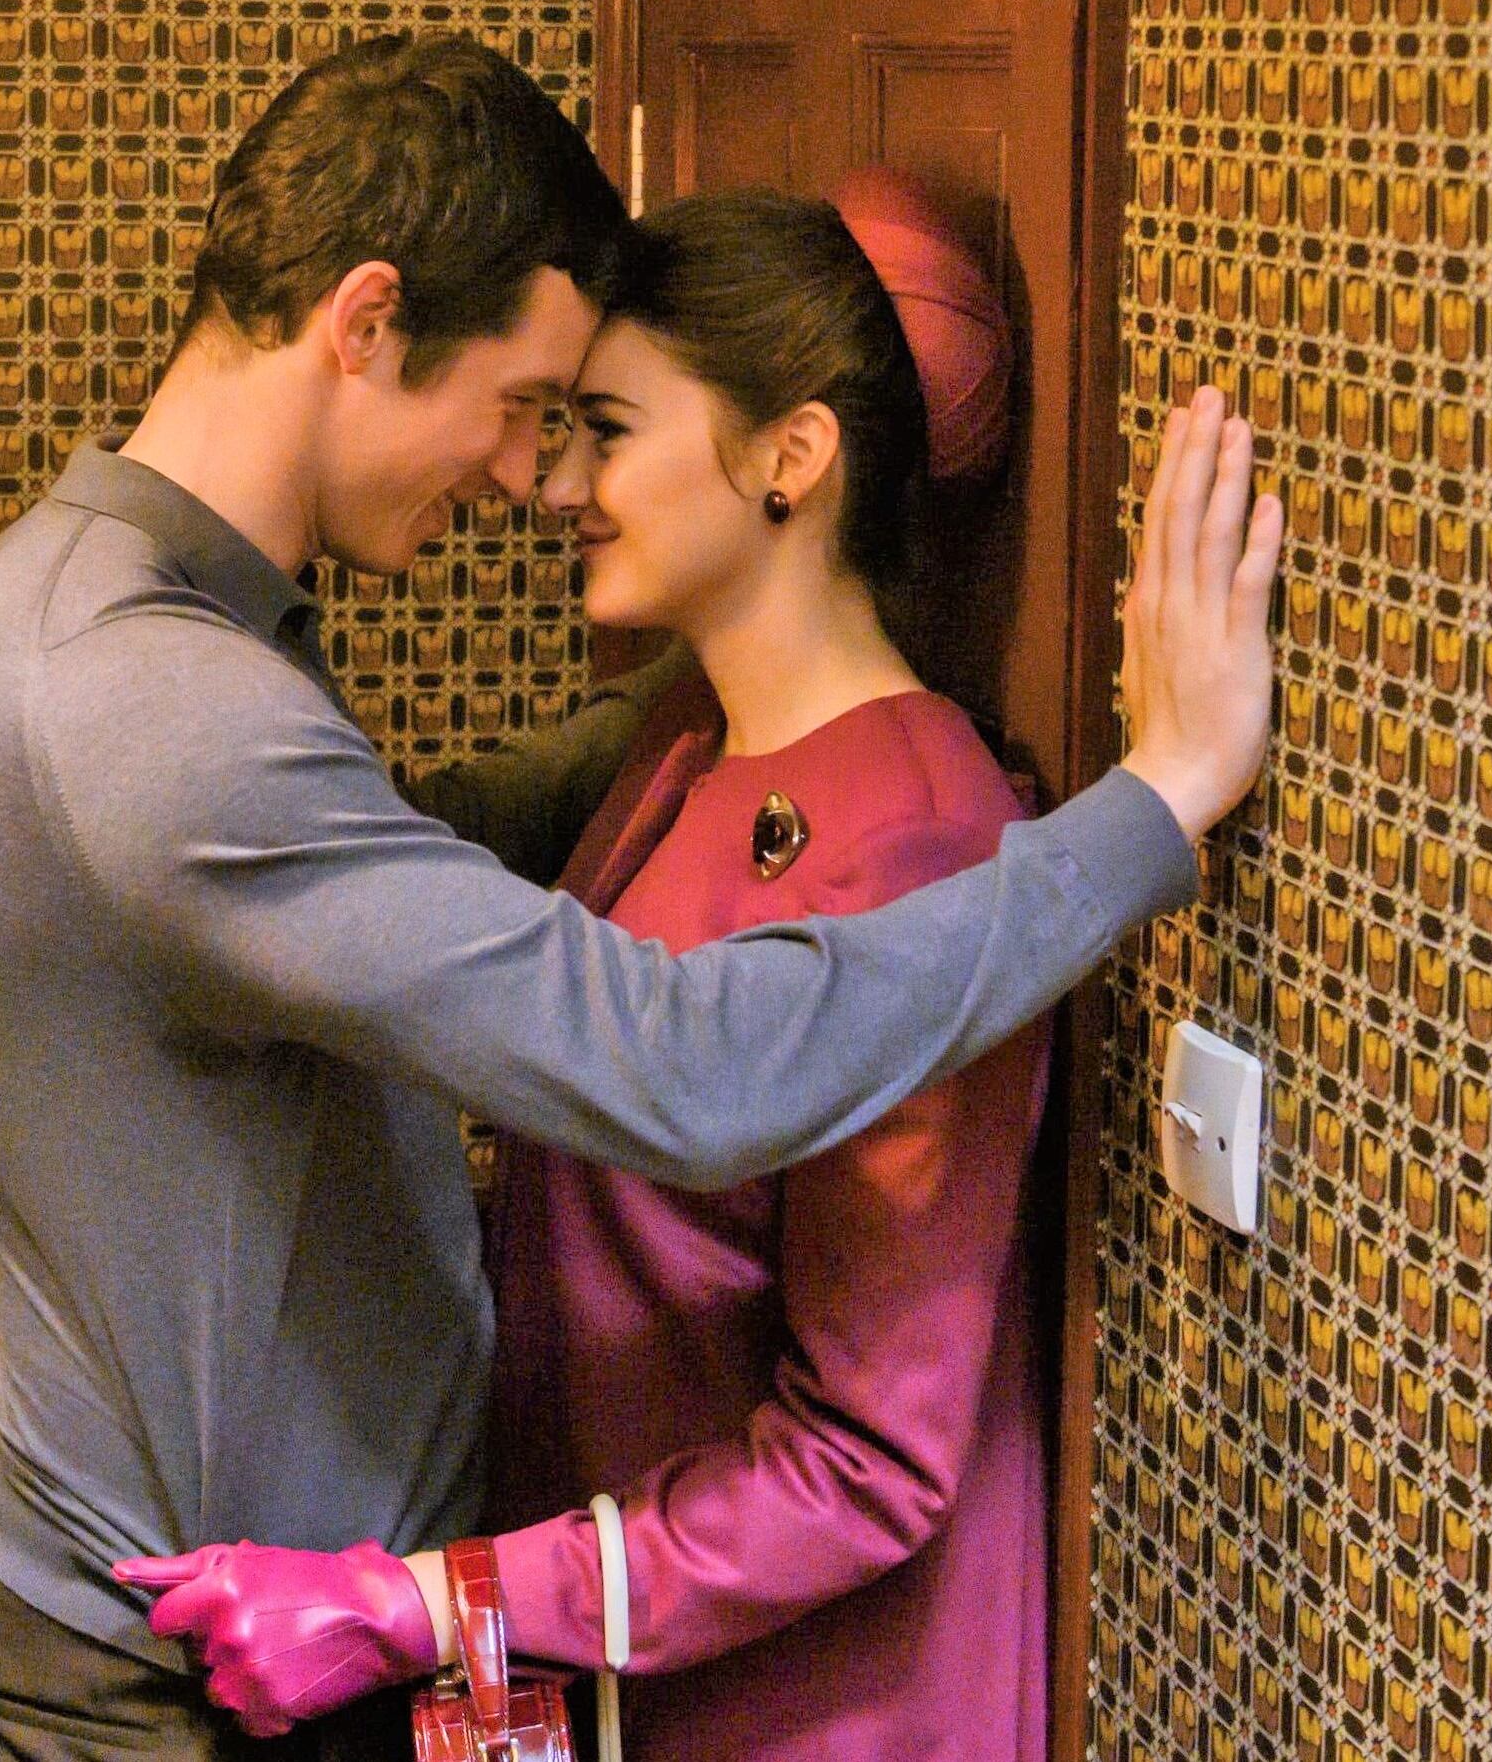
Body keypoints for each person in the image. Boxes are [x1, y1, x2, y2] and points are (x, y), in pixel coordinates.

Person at [0, 32, 1281, 1760]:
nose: (526, 477)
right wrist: (1152, 805)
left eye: (589, 426)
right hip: (157, 1676)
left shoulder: (110, 611)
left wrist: (764, 638)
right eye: (531, 406)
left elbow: (421, 842)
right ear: (367, 325)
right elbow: (676, 1056)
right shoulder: (150, 704)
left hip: (313, 1637)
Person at [124, 177, 1130, 1758]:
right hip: (611, 1659)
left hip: (806, 1707)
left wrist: (425, 1604)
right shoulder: (680, 746)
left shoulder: (918, 838)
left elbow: (864, 1464)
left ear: (792, 455)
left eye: (606, 430)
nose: (557, 485)